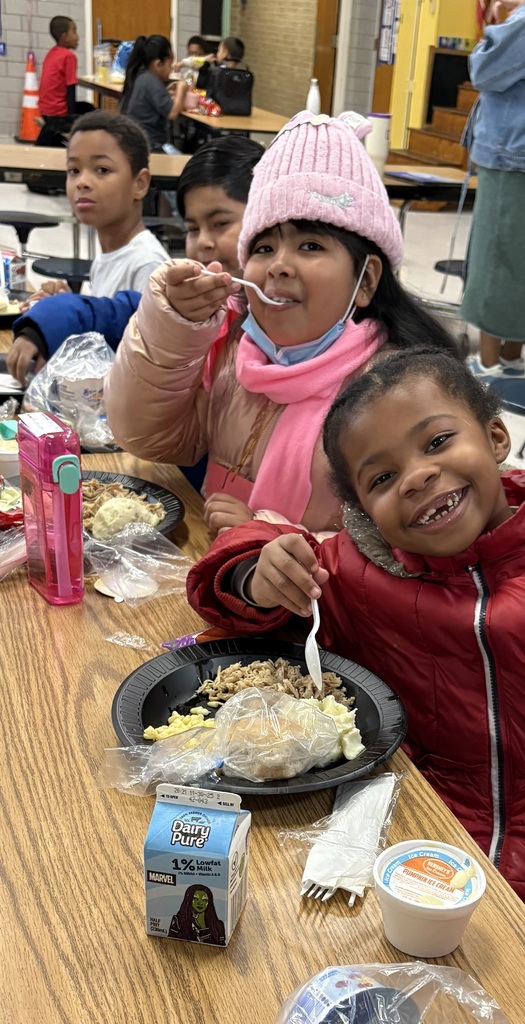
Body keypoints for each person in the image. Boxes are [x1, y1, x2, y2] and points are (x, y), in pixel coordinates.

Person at [186, 348, 525, 900]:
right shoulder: (362, 574)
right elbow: (244, 567)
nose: (417, 476)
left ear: (496, 438)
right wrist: (254, 572)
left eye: (437, 441)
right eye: (383, 477)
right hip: (419, 834)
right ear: (364, 511)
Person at [105, 109, 457, 538]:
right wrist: (173, 327)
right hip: (216, 568)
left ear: (365, 280)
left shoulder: (396, 394)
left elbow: (420, 541)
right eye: (264, 248)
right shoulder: (233, 353)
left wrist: (270, 536)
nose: (278, 266)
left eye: (310, 245)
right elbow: (144, 437)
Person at [8, 110, 168, 384]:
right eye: (74, 170)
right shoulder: (108, 254)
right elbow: (106, 332)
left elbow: (140, 366)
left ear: (140, 184)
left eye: (102, 170)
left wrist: (66, 314)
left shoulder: (148, 265)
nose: (82, 182)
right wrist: (66, 307)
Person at [461, 0, 525, 378]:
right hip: (516, 156)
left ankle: (488, 364)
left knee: (494, 261)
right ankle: (512, 358)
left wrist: (497, 21)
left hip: (510, 156)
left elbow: (484, 70)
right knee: (517, 260)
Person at [120, 34, 188, 153]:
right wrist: (182, 89)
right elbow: (173, 113)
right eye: (169, 64)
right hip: (151, 146)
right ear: (158, 64)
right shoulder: (151, 80)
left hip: (134, 143)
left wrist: (166, 92)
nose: (171, 69)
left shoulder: (140, 75)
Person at [36, 15, 93, 147]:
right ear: (64, 36)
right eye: (74, 31)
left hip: (45, 111)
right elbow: (70, 90)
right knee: (91, 113)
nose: (77, 37)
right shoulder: (68, 56)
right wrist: (72, 120)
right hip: (57, 114)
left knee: (87, 107)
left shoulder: (52, 53)